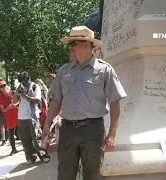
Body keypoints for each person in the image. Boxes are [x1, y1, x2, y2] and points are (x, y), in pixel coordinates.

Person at [42, 26, 127, 180]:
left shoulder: (104, 70)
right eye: (69, 43)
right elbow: (56, 100)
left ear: (87, 44)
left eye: (73, 43)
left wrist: (112, 134)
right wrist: (47, 123)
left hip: (92, 131)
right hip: (67, 130)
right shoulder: (63, 71)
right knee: (64, 175)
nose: (70, 47)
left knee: (92, 175)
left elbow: (115, 102)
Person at [13, 71, 50, 164]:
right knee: (25, 140)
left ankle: (43, 156)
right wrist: (16, 93)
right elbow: (14, 101)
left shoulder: (35, 86)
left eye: (24, 81)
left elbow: (38, 100)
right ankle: (30, 157)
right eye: (21, 82)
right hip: (22, 117)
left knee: (36, 139)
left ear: (28, 79)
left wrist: (25, 96)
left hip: (33, 117)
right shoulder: (19, 87)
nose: (23, 83)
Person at [0, 80, 19, 156]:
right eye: (1, 86)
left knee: (23, 132)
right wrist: (9, 107)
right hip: (9, 118)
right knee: (11, 134)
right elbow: (3, 109)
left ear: (6, 85)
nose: (3, 87)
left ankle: (27, 147)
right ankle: (13, 149)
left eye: (4, 85)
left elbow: (18, 101)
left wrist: (15, 104)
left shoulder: (12, 93)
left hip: (18, 115)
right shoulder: (1, 98)